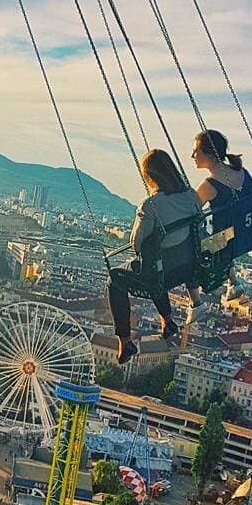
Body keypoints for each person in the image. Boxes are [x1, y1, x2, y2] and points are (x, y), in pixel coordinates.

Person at [107, 149, 203, 364]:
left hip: (160, 273)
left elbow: (137, 243)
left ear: (149, 176)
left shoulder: (151, 205)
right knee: (153, 265)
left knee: (116, 280)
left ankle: (125, 340)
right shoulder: (192, 197)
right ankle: (167, 320)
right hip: (186, 267)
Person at [191, 129, 252, 299]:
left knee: (192, 241)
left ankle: (195, 301)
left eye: (196, 151)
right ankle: (233, 282)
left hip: (224, 242)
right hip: (248, 234)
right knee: (225, 233)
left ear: (210, 154)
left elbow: (188, 210)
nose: (193, 155)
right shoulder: (243, 173)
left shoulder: (209, 185)